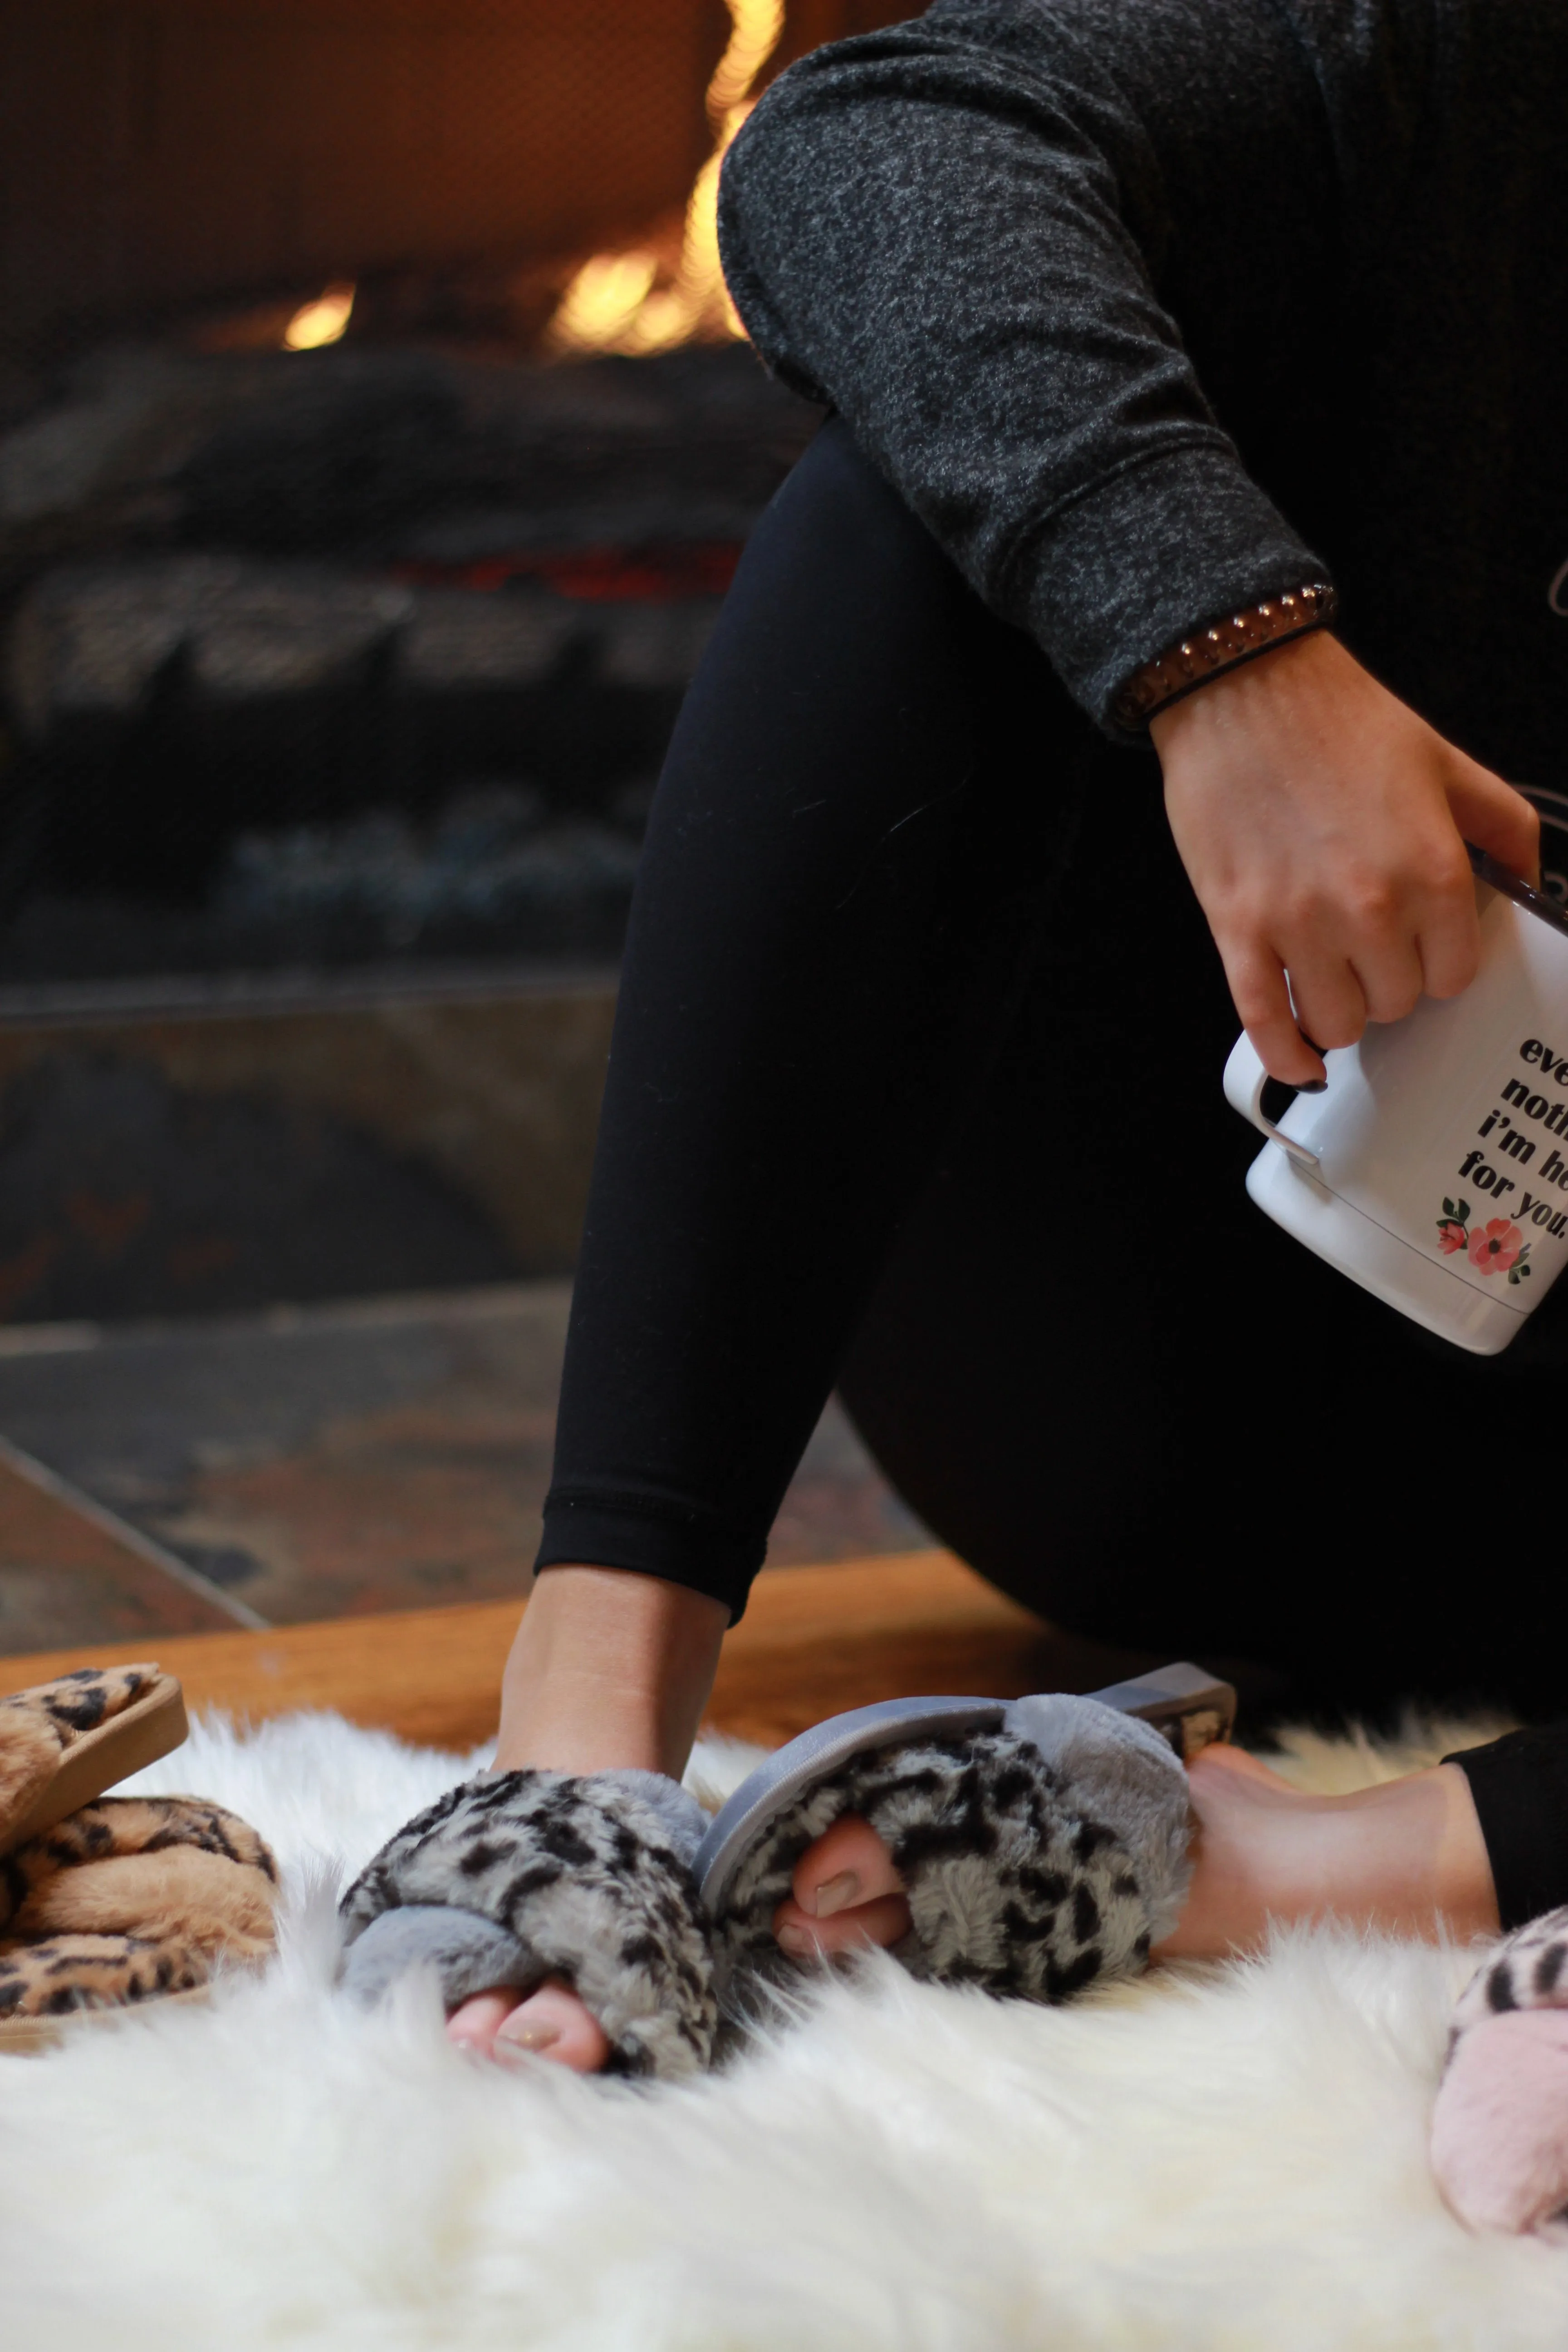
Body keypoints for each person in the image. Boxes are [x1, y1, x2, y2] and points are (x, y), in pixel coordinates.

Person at [424, 0, 1568, 2070]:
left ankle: (1334, 1867)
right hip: (1135, 1368)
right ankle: (590, 1707)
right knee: (913, 504)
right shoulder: (1468, 77)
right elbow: (857, 142)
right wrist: (1232, 661)